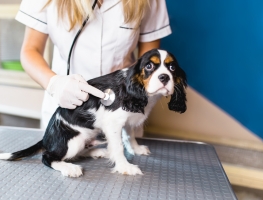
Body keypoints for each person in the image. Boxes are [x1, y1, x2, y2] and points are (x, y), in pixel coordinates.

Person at [15, 0, 172, 128]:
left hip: (123, 114)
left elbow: (149, 61)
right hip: (67, 114)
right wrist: (54, 84)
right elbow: (30, 50)